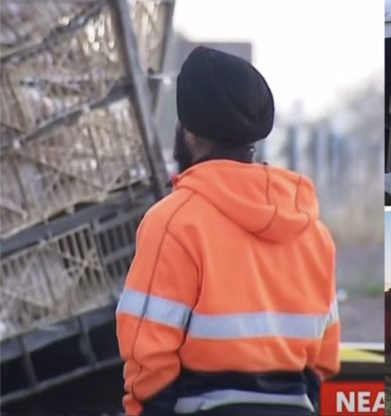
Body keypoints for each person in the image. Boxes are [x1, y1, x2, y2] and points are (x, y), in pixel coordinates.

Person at [115, 46, 339, 416]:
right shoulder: (312, 231)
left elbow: (148, 351)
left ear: (185, 131)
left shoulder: (173, 221)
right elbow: (323, 355)